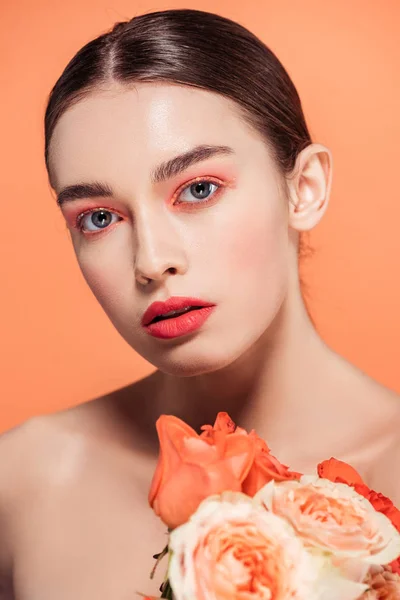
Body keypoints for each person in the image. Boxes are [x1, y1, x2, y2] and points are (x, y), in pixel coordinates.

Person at [0, 7, 399, 599]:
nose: (150, 260)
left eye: (198, 189)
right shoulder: (24, 480)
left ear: (304, 189)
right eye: (99, 218)